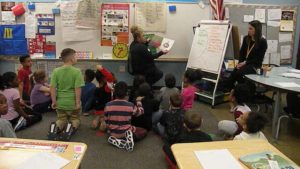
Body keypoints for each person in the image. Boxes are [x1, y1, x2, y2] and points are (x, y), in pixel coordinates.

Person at [50, 48, 84, 138]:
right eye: (75, 56)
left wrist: (54, 101)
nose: (76, 58)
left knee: (61, 119)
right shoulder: (77, 71)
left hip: (60, 103)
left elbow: (52, 87)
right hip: (72, 103)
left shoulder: (56, 71)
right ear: (71, 58)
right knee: (75, 118)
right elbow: (77, 89)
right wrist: (77, 103)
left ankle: (54, 130)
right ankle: (69, 129)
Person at [105, 81, 147, 151]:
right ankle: (129, 138)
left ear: (114, 92)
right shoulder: (130, 105)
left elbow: (106, 120)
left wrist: (109, 129)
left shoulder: (108, 105)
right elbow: (140, 112)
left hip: (113, 133)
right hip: (126, 131)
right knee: (144, 131)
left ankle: (118, 141)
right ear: (126, 93)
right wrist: (139, 102)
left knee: (111, 132)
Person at [226, 20, 268, 90]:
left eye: (251, 29)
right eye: (248, 28)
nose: (248, 30)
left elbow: (258, 59)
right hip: (245, 64)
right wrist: (240, 63)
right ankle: (230, 89)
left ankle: (245, 90)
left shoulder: (262, 42)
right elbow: (242, 53)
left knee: (238, 73)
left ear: (257, 30)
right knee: (234, 73)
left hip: (254, 65)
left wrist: (245, 63)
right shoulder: (246, 38)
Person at [92, 65, 115, 130]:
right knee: (104, 118)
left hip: (98, 110)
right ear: (104, 78)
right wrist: (102, 69)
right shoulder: (107, 87)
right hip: (106, 110)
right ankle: (103, 122)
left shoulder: (96, 89)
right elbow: (110, 76)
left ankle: (96, 120)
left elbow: (94, 102)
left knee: (98, 116)